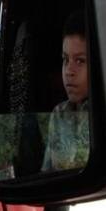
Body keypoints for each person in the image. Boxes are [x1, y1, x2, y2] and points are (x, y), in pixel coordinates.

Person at [41, 11, 90, 171]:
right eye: (65, 59)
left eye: (80, 61)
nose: (69, 71)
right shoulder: (59, 113)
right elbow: (47, 173)